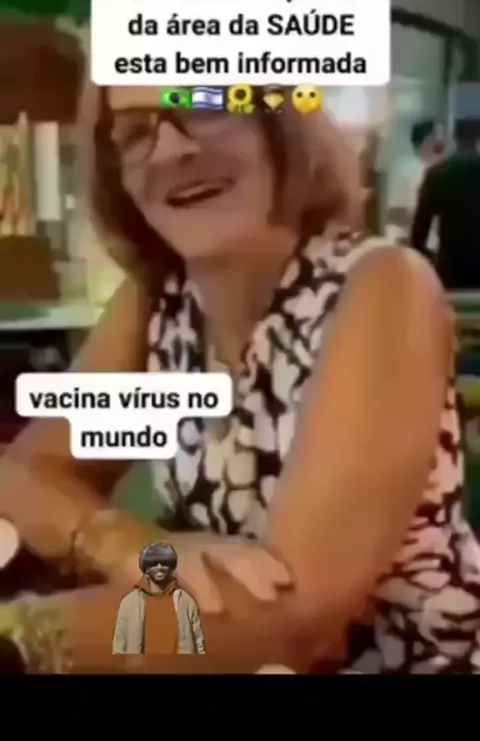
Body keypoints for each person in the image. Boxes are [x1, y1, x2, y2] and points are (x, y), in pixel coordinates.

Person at [1, 81, 480, 674]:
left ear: (282, 126)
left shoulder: (384, 285)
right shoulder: (160, 299)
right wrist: (116, 539)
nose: (171, 149)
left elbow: (294, 619)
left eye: (206, 107)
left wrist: (24, 638)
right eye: (135, 133)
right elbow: (25, 471)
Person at [411, 118, 480, 290]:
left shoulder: (437, 174)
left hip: (451, 269)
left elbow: (419, 233)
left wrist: (430, 258)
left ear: (455, 139)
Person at [112, 542, 205, 655]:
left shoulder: (185, 601)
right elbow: (119, 641)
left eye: (164, 563)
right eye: (154, 564)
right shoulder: (130, 601)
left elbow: (198, 641)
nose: (159, 567)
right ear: (146, 568)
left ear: (171, 567)